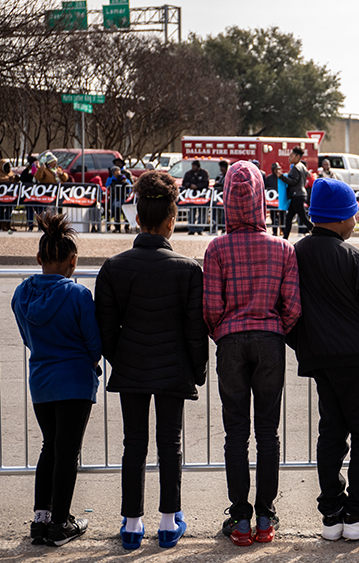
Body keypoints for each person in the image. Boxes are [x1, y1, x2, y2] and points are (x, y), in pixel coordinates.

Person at [95, 170, 207, 550]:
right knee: (169, 444)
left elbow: (106, 330)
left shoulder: (113, 268)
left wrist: (121, 358)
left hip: (132, 364)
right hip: (174, 365)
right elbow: (195, 329)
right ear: (172, 220)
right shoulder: (190, 270)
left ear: (138, 219)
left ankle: (131, 523)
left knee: (134, 444)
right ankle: (167, 520)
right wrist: (198, 370)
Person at [288, 178, 359, 541]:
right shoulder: (354, 259)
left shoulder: (295, 254)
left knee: (331, 433)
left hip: (319, 358)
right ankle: (358, 515)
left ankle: (331, 515)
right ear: (340, 217)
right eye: (352, 213)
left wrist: (303, 343)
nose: (355, 219)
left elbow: (287, 308)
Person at [203, 161, 301, 546]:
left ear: (227, 199)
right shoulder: (283, 248)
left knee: (235, 434)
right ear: (263, 197)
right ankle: (265, 515)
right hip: (270, 340)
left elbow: (211, 307)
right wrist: (275, 327)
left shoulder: (216, 248)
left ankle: (240, 517)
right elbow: (292, 307)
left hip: (230, 341)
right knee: (267, 433)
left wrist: (223, 331)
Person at [12, 212, 101, 547]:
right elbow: (94, 343)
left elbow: (26, 335)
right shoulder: (78, 295)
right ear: (73, 261)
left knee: (49, 446)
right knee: (68, 451)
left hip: (41, 380)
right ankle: (61, 523)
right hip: (75, 380)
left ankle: (41, 518)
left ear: (39, 258)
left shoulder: (22, 294)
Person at [280, 146, 313, 239]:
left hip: (297, 195)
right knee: (290, 216)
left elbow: (293, 181)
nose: (289, 157)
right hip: (299, 194)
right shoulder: (302, 166)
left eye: (291, 155)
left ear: (297, 156)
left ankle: (317, 232)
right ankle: (285, 237)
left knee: (302, 218)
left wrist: (281, 176)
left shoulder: (295, 168)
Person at [183, 161, 209, 235]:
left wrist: (197, 186)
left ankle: (200, 228)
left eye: (194, 166)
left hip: (201, 196)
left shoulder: (204, 173)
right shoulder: (188, 173)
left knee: (202, 212)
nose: (193, 167)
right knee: (192, 212)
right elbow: (184, 183)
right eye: (192, 166)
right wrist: (190, 185)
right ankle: (191, 228)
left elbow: (206, 183)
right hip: (191, 197)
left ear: (198, 166)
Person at [265, 163, 290, 236]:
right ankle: (275, 232)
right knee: (273, 217)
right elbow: (267, 188)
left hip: (282, 200)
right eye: (275, 169)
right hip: (273, 201)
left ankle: (283, 231)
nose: (277, 171)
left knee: (283, 217)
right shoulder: (269, 178)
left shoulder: (283, 177)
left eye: (278, 169)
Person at [105, 166, 133, 233]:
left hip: (124, 198)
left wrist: (124, 182)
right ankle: (117, 227)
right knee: (115, 211)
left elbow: (129, 185)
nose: (117, 172)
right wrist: (110, 177)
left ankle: (127, 227)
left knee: (126, 213)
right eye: (115, 171)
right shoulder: (112, 179)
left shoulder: (124, 177)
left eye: (118, 170)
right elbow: (107, 185)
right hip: (116, 198)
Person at [0, 158, 20, 231]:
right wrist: (9, 179)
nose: (7, 168)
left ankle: (8, 224)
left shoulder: (10, 173)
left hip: (10, 196)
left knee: (9, 210)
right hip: (2, 197)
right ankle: (2, 225)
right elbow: (2, 179)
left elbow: (13, 178)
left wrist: (16, 179)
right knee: (1, 211)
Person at [212, 160, 229, 235]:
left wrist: (219, 185)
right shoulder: (219, 176)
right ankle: (214, 227)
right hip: (217, 198)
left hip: (225, 198)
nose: (221, 170)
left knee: (223, 213)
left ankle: (223, 228)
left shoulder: (229, 176)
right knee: (215, 212)